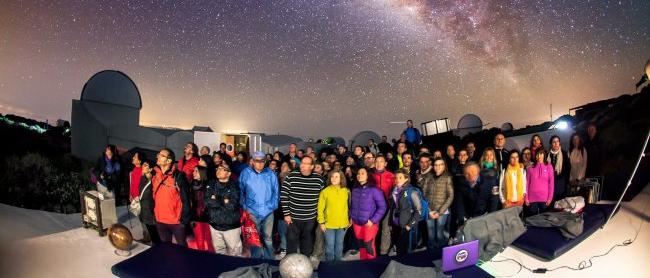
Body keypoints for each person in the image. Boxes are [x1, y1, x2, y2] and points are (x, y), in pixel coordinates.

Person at [239, 151, 279, 259]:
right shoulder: (245, 173)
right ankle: (255, 259)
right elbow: (241, 191)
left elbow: (276, 192)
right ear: (252, 161)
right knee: (254, 237)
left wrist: (272, 206)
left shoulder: (270, 174)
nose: (260, 164)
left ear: (265, 162)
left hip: (268, 211)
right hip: (252, 211)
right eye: (257, 161)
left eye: (262, 161)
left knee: (268, 237)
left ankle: (270, 259)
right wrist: (245, 207)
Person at [282, 157, 325, 256]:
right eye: (302, 163)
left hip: (310, 218)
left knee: (306, 243)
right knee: (291, 243)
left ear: (312, 166)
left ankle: (305, 264)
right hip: (293, 218)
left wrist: (319, 216)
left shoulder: (319, 179)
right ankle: (290, 264)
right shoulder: (291, 176)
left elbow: (322, 200)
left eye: (306, 163)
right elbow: (284, 195)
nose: (302, 165)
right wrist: (286, 214)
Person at [152, 148, 191, 246]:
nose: (158, 156)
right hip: (160, 220)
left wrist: (183, 222)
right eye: (158, 154)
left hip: (176, 222)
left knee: (182, 249)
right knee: (166, 248)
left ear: (169, 161)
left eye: (161, 155)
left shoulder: (179, 176)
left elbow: (186, 200)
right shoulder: (155, 174)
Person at [349, 167, 386, 260]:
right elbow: (352, 205)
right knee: (361, 245)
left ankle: (372, 267)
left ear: (368, 176)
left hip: (369, 223)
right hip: (357, 223)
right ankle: (363, 265)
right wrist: (351, 217)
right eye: (358, 173)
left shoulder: (375, 190)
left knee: (368, 245)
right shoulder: (355, 189)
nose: (359, 175)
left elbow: (382, 207)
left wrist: (373, 220)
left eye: (362, 173)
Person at [205, 164, 242, 256]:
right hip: (215, 225)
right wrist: (224, 200)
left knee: (235, 254)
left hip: (231, 227)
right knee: (219, 253)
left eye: (222, 169)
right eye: (218, 168)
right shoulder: (211, 183)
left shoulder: (234, 186)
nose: (218, 170)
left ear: (229, 173)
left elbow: (231, 206)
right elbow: (207, 201)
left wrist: (216, 198)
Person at [317, 170, 351, 261]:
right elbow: (320, 209)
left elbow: (349, 206)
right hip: (329, 225)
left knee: (339, 245)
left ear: (341, 179)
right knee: (329, 246)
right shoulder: (325, 191)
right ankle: (330, 265)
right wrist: (321, 222)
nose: (333, 178)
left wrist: (350, 219)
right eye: (332, 176)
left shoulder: (346, 191)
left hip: (342, 224)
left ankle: (337, 265)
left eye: (336, 177)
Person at [423, 157, 454, 255]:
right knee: (430, 232)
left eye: (441, 164)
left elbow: (450, 196)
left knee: (439, 232)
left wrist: (440, 211)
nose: (438, 167)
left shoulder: (447, 177)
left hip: (442, 211)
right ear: (433, 166)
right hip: (429, 210)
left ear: (444, 166)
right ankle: (431, 252)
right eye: (436, 165)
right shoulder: (428, 176)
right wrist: (427, 210)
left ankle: (442, 254)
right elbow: (423, 194)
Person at [389, 168, 423, 255]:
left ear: (406, 179)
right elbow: (393, 208)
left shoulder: (412, 192)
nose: (397, 180)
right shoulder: (394, 190)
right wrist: (391, 222)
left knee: (406, 250)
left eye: (400, 177)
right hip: (396, 223)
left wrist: (409, 225)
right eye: (396, 178)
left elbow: (418, 210)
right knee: (399, 249)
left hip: (406, 225)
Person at [371, 155, 395, 255]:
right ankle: (372, 249)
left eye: (381, 161)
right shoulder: (370, 175)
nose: (379, 164)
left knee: (386, 229)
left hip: (387, 207)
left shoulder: (391, 175)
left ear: (385, 163)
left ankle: (384, 251)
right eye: (377, 161)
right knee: (373, 229)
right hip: (373, 208)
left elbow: (395, 191)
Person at [189, 166, 213, 252]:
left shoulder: (209, 185)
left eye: (196, 171)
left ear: (202, 173)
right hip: (195, 216)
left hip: (208, 216)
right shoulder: (192, 184)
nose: (194, 173)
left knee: (209, 240)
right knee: (199, 239)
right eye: (194, 171)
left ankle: (212, 258)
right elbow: (190, 201)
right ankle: (200, 258)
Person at [137, 159, 160, 245]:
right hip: (144, 208)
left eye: (146, 165)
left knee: (154, 230)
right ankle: (151, 242)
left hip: (151, 209)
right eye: (143, 164)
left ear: (150, 169)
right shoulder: (143, 178)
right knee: (149, 228)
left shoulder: (154, 180)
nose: (143, 166)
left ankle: (158, 247)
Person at [526, 149, 554, 215]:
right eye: (537, 154)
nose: (539, 156)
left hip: (544, 198)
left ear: (544, 155)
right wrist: (526, 198)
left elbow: (551, 184)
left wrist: (550, 198)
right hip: (532, 198)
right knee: (532, 219)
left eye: (541, 154)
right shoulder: (531, 167)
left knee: (544, 220)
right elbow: (527, 184)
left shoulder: (549, 166)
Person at [547, 135, 571, 204]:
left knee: (561, 202)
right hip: (551, 182)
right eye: (554, 142)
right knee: (552, 201)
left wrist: (566, 181)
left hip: (561, 181)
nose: (556, 143)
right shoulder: (547, 155)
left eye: (557, 141)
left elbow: (568, 168)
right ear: (551, 144)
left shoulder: (564, 153)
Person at [479, 147, 501, 212]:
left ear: (493, 156)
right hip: (482, 198)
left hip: (494, 197)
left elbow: (497, 184)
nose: (489, 157)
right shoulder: (479, 168)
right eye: (487, 155)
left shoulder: (497, 168)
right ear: (484, 156)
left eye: (491, 155)